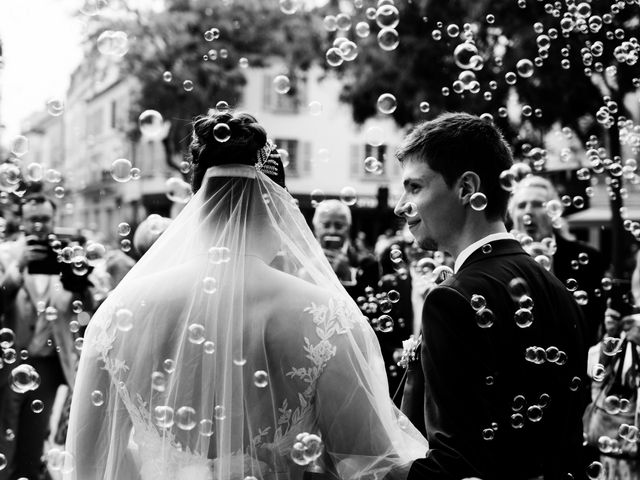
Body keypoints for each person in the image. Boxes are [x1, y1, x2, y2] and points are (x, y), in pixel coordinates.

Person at [65, 111, 428, 480]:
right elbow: (368, 467)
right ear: (277, 202)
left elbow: (87, 466)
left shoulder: (117, 313)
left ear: (196, 200)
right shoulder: (326, 316)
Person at [395, 113, 588, 479]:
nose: (400, 205)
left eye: (415, 187)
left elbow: (454, 465)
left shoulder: (451, 301)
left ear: (467, 187)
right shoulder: (558, 291)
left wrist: (371, 466)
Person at [0, 192, 96, 480]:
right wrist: (18, 268)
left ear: (54, 219)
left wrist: (79, 284)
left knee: (32, 439)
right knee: (4, 437)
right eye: (33, 220)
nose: (39, 226)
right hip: (9, 359)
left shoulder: (65, 255)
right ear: (22, 220)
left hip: (46, 364)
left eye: (44, 219)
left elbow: (86, 309)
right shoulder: (6, 255)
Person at [508, 175, 607, 346]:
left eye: (538, 204)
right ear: (512, 214)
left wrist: (550, 272)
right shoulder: (501, 258)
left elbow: (589, 324)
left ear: (554, 213)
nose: (528, 211)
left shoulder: (587, 257)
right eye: (521, 205)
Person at [312, 199, 379, 301]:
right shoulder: (302, 258)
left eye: (338, 226)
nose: (332, 231)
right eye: (326, 225)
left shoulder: (368, 264)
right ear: (316, 228)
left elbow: (370, 308)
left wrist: (347, 277)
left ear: (348, 228)